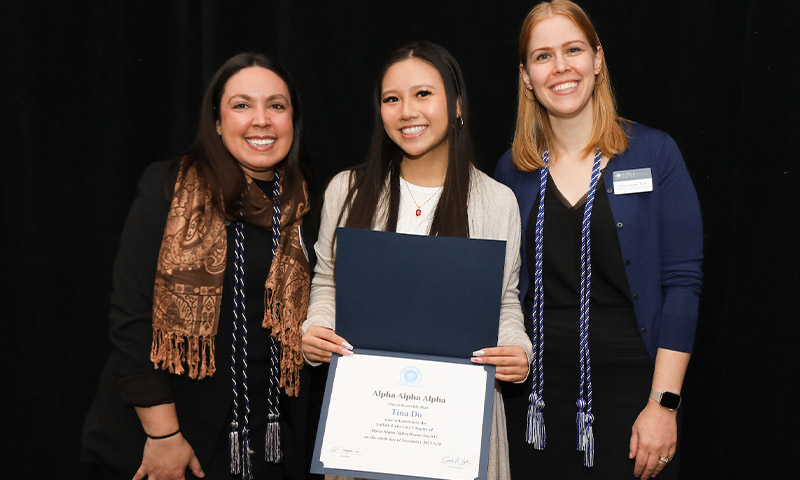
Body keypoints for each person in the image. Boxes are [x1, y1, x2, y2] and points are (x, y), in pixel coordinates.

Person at [81, 52, 322, 480]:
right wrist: (163, 437)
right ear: (216, 121)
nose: (261, 120)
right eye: (242, 105)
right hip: (168, 441)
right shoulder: (170, 186)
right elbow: (131, 318)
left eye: (277, 106)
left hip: (267, 440)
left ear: (293, 120)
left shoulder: (305, 204)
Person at [300, 41, 532, 480]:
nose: (407, 111)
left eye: (423, 94)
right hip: (368, 421)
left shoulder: (496, 201)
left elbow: (502, 302)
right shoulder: (347, 191)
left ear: (457, 105)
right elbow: (328, 281)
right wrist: (314, 330)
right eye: (392, 99)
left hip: (457, 424)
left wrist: (517, 351)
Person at [494, 2, 703, 479]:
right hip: (535, 399)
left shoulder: (654, 153)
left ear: (598, 59)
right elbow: (500, 287)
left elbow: (682, 284)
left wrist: (663, 404)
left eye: (574, 50)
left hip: (636, 398)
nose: (561, 67)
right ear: (526, 75)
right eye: (543, 56)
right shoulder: (512, 170)